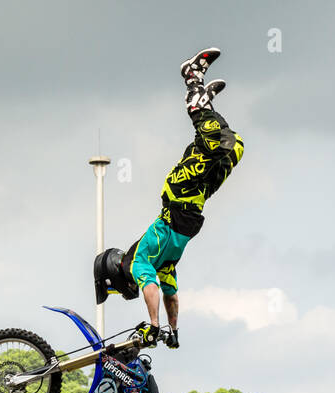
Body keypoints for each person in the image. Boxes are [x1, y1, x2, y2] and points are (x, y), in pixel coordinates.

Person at [94, 47, 244, 349]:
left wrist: (153, 325)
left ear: (117, 274)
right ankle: (206, 102)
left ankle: (192, 83)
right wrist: (173, 330)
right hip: (194, 204)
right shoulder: (163, 265)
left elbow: (149, 286)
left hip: (180, 194)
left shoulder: (136, 263)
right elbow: (169, 294)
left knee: (213, 142)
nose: (131, 288)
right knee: (234, 146)